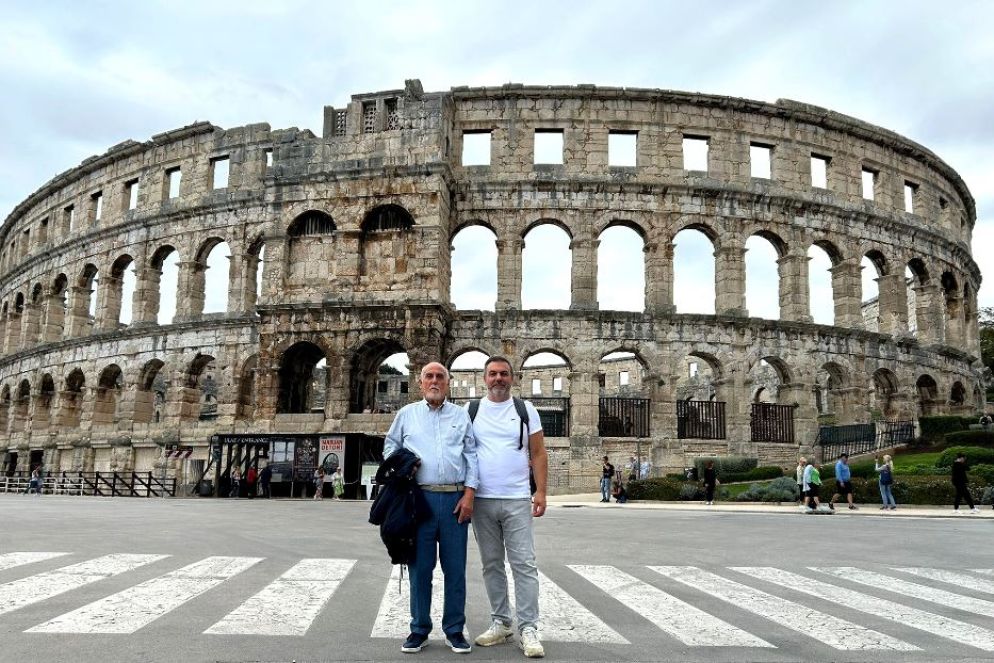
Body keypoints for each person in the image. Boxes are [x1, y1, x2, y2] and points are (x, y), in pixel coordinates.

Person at [383, 361, 478, 654]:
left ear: (448, 383)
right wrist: (404, 463)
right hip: (418, 500)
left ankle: (454, 629)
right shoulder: (406, 414)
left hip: (454, 499)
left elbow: (472, 455)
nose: (435, 381)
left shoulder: (460, 416)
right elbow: (389, 447)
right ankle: (419, 628)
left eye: (440, 377)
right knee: (419, 569)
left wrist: (470, 495)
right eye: (429, 377)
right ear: (420, 382)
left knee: (455, 569)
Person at [466, 356, 548, 659]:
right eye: (492, 374)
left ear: (512, 378)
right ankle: (501, 622)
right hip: (483, 499)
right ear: (484, 378)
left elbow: (538, 453)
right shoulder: (471, 410)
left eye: (503, 374)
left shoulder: (525, 410)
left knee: (524, 564)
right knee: (491, 564)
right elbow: (463, 450)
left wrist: (540, 491)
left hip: (516, 497)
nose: (498, 378)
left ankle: (528, 627)